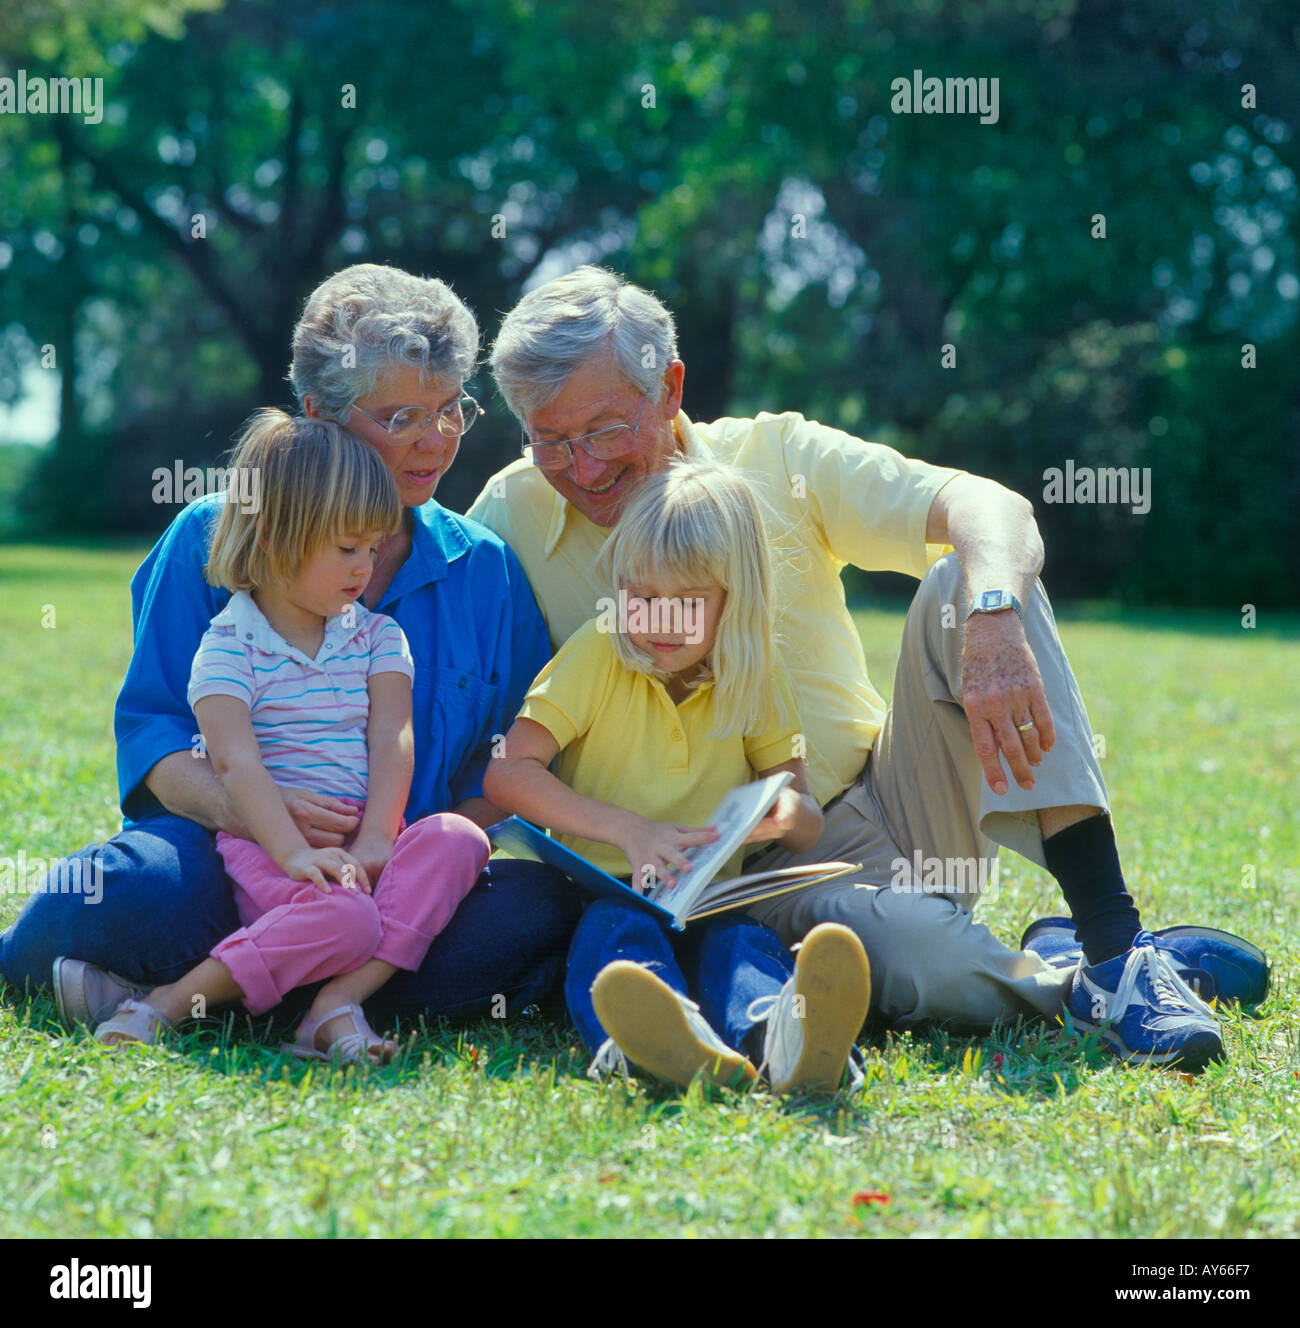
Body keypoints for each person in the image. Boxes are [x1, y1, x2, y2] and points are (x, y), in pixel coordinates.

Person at [469, 265, 1268, 1072]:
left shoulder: (778, 454)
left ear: (669, 386)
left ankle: (1114, 943)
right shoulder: (512, 508)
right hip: (735, 873)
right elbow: (421, 619)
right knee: (935, 968)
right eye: (550, 440)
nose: (582, 466)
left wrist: (993, 621)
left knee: (971, 578)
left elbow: (992, 508)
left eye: (604, 430)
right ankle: (1085, 974)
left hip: (891, 801)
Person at [0, 263, 582, 1028]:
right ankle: (319, 988)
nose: (434, 441)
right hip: (228, 856)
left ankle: (224, 990)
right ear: (319, 414)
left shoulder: (485, 570)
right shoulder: (213, 536)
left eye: (450, 410)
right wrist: (262, 821)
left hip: (390, 876)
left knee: (537, 910)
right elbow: (158, 738)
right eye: (400, 416)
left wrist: (395, 852)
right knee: (130, 891)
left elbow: (504, 769)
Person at [87, 411, 491, 1061]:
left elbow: (394, 735)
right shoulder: (228, 647)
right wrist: (293, 853)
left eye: (372, 547)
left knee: (457, 841)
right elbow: (237, 762)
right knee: (347, 919)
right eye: (346, 549)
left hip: (361, 832)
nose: (365, 568)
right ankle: (167, 1004)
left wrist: (378, 840)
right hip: (270, 839)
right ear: (274, 539)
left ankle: (333, 1005)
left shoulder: (379, 637)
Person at [483, 459, 870, 1092]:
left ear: (734, 598)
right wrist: (627, 830)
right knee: (617, 934)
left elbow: (803, 814)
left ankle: (784, 1039)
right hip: (605, 888)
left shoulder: (755, 673)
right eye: (642, 596)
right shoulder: (600, 650)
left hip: (706, 899)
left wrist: (782, 815)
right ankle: (651, 1044)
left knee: (740, 944)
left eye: (687, 603)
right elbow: (508, 773)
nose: (659, 621)